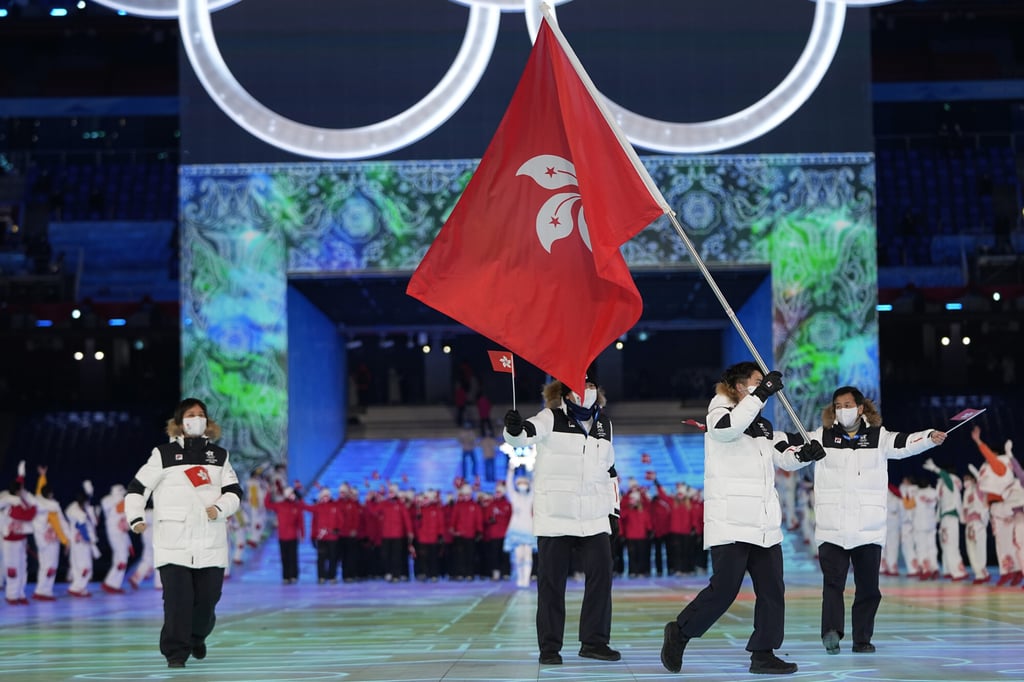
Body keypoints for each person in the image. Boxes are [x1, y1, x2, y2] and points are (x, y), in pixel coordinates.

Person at [659, 363, 824, 675]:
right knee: (724, 591)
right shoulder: (718, 411)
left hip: (763, 523)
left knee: (772, 590)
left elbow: (782, 457)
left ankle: (763, 652)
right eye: (756, 381)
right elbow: (727, 429)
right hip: (731, 521)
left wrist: (803, 455)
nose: (763, 386)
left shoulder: (763, 426)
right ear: (737, 386)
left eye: (763, 383)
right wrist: (761, 394)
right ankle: (680, 632)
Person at [809, 386, 945, 656]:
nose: (842, 410)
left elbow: (905, 442)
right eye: (837, 405)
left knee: (869, 589)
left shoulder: (878, 437)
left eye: (847, 404)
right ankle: (831, 633)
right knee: (833, 585)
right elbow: (790, 448)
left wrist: (930, 437)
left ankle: (862, 639)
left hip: (868, 529)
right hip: (831, 526)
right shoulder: (820, 437)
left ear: (860, 408)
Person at [503, 365, 623, 665]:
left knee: (601, 579)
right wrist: (513, 429)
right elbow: (523, 437)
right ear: (564, 391)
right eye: (579, 385)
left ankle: (594, 642)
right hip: (556, 516)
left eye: (590, 384)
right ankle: (550, 647)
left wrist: (614, 511)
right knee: (551, 584)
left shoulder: (604, 424)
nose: (586, 389)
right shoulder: (551, 417)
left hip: (594, 516)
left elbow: (610, 471)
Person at [124, 398, 243, 669]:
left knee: (207, 602)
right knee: (178, 603)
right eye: (191, 414)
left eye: (201, 414)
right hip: (173, 543)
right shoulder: (162, 455)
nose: (197, 418)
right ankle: (176, 654)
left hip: (210, 542)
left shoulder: (220, 456)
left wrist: (220, 508)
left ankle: (196, 636)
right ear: (179, 422)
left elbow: (234, 492)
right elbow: (137, 488)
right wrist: (136, 517)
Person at [31, 465, 71, 601]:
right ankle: (44, 591)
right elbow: (57, 525)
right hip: (50, 540)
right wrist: (65, 541)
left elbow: (39, 490)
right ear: (50, 495)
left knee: (44, 565)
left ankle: (42, 590)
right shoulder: (52, 507)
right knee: (50, 566)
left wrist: (42, 476)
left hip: (40, 540)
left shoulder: (37, 501)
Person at [0, 461, 37, 605]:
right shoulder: (12, 505)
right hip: (10, 542)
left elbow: (18, 484)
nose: (23, 491)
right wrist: (31, 503)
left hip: (21, 540)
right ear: (17, 492)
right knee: (13, 568)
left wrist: (21, 474)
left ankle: (20, 593)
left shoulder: (16, 499)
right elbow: (28, 515)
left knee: (23, 568)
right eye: (21, 490)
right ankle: (11, 595)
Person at [65, 480, 101, 598]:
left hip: (78, 542)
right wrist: (88, 538)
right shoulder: (76, 512)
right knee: (85, 567)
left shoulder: (75, 507)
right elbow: (81, 527)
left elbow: (88, 501)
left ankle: (81, 588)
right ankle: (76, 587)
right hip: (81, 542)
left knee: (79, 567)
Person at [100, 483, 131, 594]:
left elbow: (125, 523)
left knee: (120, 559)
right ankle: (110, 583)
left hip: (120, 535)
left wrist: (129, 544)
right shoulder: (111, 503)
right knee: (121, 560)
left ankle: (113, 584)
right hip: (116, 534)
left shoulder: (118, 504)